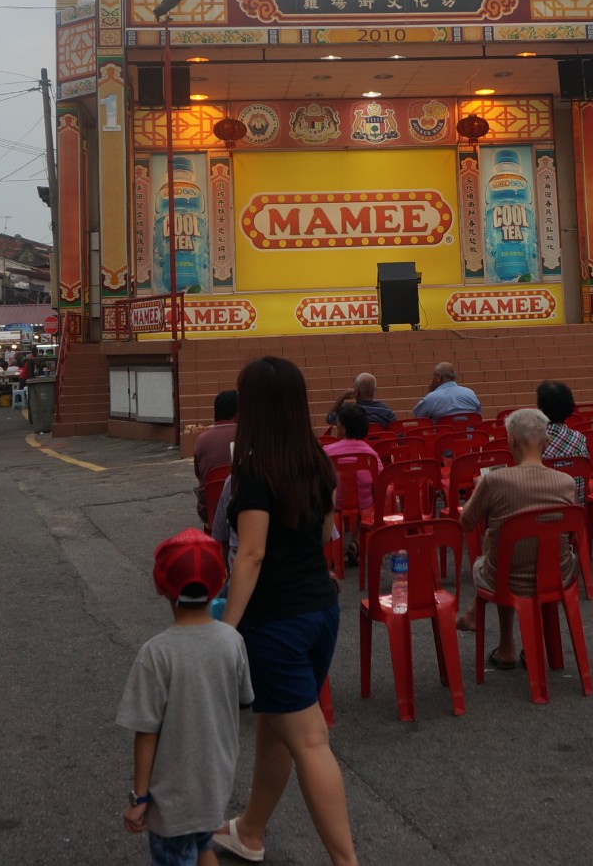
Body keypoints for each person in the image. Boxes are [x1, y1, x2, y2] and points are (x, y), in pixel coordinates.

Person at [213, 356, 357, 866]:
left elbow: (248, 553)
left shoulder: (254, 470)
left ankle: (347, 861)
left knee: (310, 741)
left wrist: (226, 628)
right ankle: (249, 831)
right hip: (320, 611)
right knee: (274, 727)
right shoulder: (316, 461)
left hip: (275, 622)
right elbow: (324, 535)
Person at [118, 529, 255, 866]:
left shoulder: (156, 653)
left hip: (173, 799)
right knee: (203, 845)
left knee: (178, 855)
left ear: (159, 586)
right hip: (214, 786)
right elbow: (244, 698)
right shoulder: (232, 641)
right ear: (220, 580)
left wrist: (140, 796)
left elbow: (146, 731)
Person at [456, 406, 581, 670]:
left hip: (505, 576)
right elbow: (570, 534)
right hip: (557, 573)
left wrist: (478, 491)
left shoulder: (495, 481)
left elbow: (466, 523)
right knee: (511, 544)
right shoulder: (567, 482)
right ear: (547, 441)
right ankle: (536, 644)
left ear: (510, 440)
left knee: (496, 547)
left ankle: (506, 645)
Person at [321, 404, 382, 514]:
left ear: (344, 429)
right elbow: (380, 480)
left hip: (335, 505)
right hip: (366, 505)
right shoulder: (371, 454)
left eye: (338, 425)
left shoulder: (327, 451)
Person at [536, 379, 589, 502]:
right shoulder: (580, 438)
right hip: (576, 509)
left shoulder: (535, 444)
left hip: (542, 510)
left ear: (541, 409)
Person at [191, 389, 238, 509]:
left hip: (210, 509)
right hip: (241, 508)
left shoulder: (201, 440)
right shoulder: (247, 435)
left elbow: (199, 474)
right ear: (237, 414)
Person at [410, 362, 480, 421]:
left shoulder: (431, 398)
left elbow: (419, 418)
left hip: (443, 436)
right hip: (470, 436)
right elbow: (478, 415)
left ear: (438, 377)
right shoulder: (470, 393)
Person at [328, 372, 395, 429]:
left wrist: (341, 398)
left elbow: (330, 418)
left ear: (356, 390)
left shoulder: (348, 411)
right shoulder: (386, 411)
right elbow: (398, 432)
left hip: (355, 444)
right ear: (375, 389)